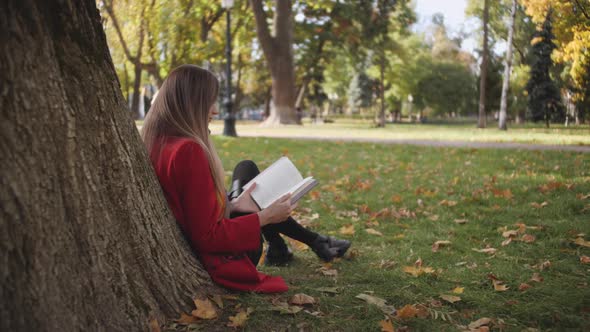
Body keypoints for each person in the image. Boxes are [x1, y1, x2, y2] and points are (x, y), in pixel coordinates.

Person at [141, 64, 350, 293]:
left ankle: (286, 246)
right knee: (258, 189)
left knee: (246, 168)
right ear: (193, 104)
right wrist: (265, 217)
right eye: (210, 102)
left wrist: (233, 205)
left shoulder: (157, 140)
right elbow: (208, 238)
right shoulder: (188, 151)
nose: (216, 111)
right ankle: (307, 242)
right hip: (225, 256)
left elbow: (190, 208)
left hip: (209, 231)